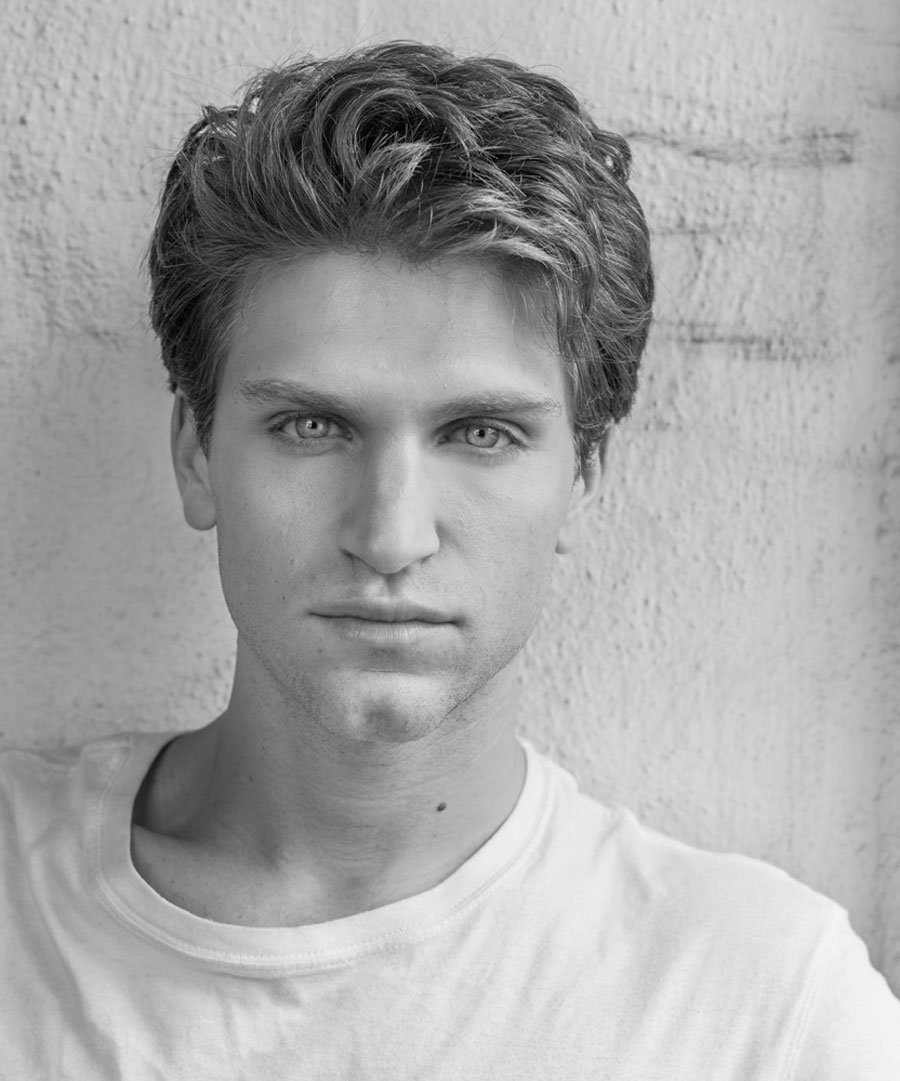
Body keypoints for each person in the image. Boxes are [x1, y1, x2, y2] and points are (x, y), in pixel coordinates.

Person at [1, 40, 897, 1080]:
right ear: (197, 455)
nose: (390, 537)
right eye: (311, 426)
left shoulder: (762, 1011)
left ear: (583, 473)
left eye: (480, 434)